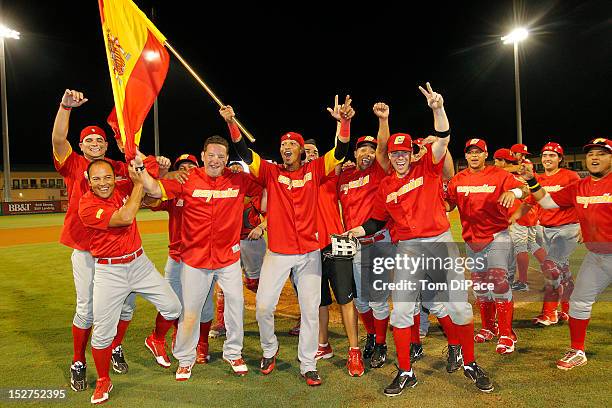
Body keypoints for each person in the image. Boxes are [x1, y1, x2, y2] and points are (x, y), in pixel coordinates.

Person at [346, 83, 492, 396]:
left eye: (404, 152)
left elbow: (443, 139)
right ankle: (405, 371)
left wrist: (438, 109)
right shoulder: (385, 186)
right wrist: (354, 231)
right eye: (394, 153)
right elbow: (374, 221)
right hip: (409, 248)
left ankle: (470, 363)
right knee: (400, 310)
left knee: (460, 308)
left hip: (439, 241)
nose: (399, 157)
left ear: (412, 153)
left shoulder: (427, 167)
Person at [221, 95, 353, 386]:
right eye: (283, 145)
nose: (286, 148)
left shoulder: (314, 171)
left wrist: (344, 123)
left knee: (309, 309)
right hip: (278, 253)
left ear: (302, 151)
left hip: (309, 253)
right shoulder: (271, 173)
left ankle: (308, 363)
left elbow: (340, 152)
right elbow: (245, 153)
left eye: (292, 144)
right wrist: (232, 124)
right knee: (265, 306)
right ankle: (270, 349)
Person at [51, 89, 162, 391]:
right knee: (86, 309)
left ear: (106, 144)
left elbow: (147, 181)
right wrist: (65, 108)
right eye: (89, 140)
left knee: (126, 308)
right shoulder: (74, 165)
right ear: (82, 146)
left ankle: (114, 346)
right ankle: (78, 360)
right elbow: (59, 140)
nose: (95, 143)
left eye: (100, 139)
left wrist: (159, 167)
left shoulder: (116, 168)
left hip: (121, 251)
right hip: (87, 251)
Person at [140, 136, 263, 381]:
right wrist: (141, 170)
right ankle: (185, 358)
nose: (216, 160)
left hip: (228, 258)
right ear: (203, 155)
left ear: (227, 159)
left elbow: (265, 189)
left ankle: (233, 352)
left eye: (221, 156)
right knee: (190, 312)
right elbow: (154, 190)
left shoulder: (238, 179)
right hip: (195, 260)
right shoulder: (188, 179)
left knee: (236, 307)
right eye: (211, 155)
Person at [78, 158, 181, 404]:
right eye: (97, 179)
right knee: (102, 333)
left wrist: (156, 174)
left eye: (107, 177)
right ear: (88, 181)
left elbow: (153, 199)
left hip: (139, 264)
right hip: (109, 271)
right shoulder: (87, 204)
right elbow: (124, 217)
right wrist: (137, 184)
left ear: (115, 177)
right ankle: (104, 380)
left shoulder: (123, 187)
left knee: (173, 307)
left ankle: (155, 339)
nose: (103, 183)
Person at [518, 138, 611, 371]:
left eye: (601, 153)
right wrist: (531, 180)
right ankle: (578, 351)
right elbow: (548, 203)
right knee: (580, 302)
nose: (595, 158)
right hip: (597, 256)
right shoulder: (580, 186)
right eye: (591, 154)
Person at [446, 139, 528, 358]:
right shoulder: (458, 179)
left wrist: (515, 193)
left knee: (499, 282)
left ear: (485, 154)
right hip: (472, 240)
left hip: (496, 236)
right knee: (481, 287)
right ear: (466, 155)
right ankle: (489, 327)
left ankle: (506, 333)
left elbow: (525, 188)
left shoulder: (498, 175)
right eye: (470, 152)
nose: (474, 156)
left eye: (478, 152)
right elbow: (448, 204)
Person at [144, 154, 216, 367]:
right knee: (172, 304)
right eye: (182, 167)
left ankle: (202, 344)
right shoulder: (174, 191)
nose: (186, 170)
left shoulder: (209, 188)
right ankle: (158, 338)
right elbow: (151, 201)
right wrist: (164, 175)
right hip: (177, 257)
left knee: (204, 307)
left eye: (190, 166)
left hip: (204, 258)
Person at [338, 102, 393, 370]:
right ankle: (371, 335)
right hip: (350, 245)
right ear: (356, 152)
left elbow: (384, 148)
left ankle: (381, 343)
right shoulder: (345, 176)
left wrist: (383, 121)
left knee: (377, 299)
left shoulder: (379, 171)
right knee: (359, 299)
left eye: (372, 149)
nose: (368, 152)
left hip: (378, 242)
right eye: (363, 148)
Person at [302, 136, 363, 377]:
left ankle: (354, 350)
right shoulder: (294, 180)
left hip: (335, 243)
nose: (311, 154)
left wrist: (341, 125)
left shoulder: (330, 174)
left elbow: (339, 151)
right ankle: (323, 344)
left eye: (315, 151)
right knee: (319, 301)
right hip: (308, 248)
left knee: (345, 299)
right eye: (306, 151)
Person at [516, 143, 581, 326]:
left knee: (551, 269)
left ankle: (549, 313)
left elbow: (580, 199)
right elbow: (530, 201)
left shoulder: (570, 176)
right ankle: (567, 310)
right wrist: (514, 216)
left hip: (566, 229)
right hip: (545, 229)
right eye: (544, 155)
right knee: (563, 272)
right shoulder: (539, 179)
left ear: (560, 158)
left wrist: (584, 225)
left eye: (552, 155)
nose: (547, 158)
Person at [210, 161, 268, 338]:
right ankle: (222, 322)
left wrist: (261, 227)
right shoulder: (222, 193)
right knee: (223, 286)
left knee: (254, 283)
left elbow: (270, 213)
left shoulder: (254, 193)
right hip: (228, 244)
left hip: (251, 243)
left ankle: (265, 311)